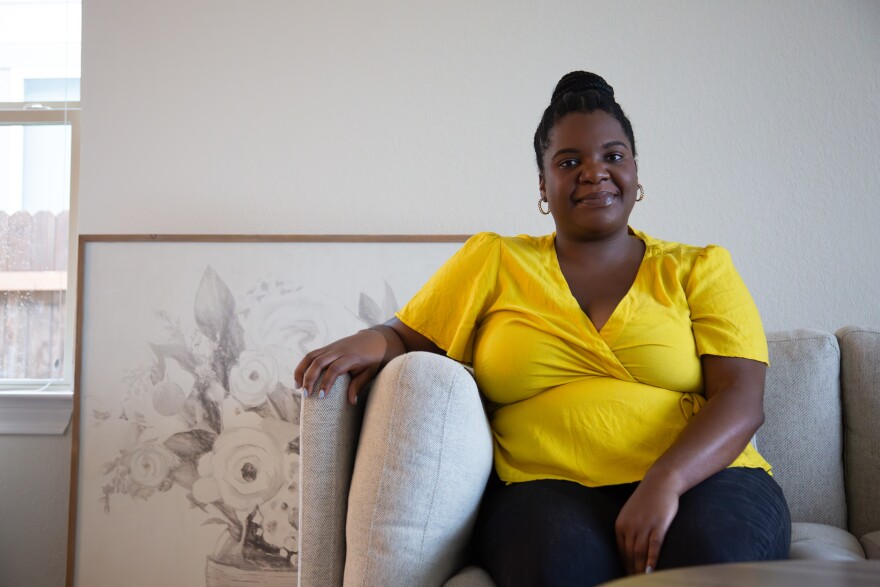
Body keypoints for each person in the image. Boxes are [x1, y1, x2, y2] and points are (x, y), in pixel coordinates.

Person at [294, 71, 791, 586]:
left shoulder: (699, 268)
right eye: (569, 161)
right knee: (557, 566)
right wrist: (368, 339)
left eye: (613, 156)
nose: (594, 173)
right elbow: (407, 336)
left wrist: (664, 481)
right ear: (542, 184)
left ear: (637, 173)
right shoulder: (495, 260)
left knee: (711, 557)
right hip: (544, 488)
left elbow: (740, 398)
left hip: (706, 481)